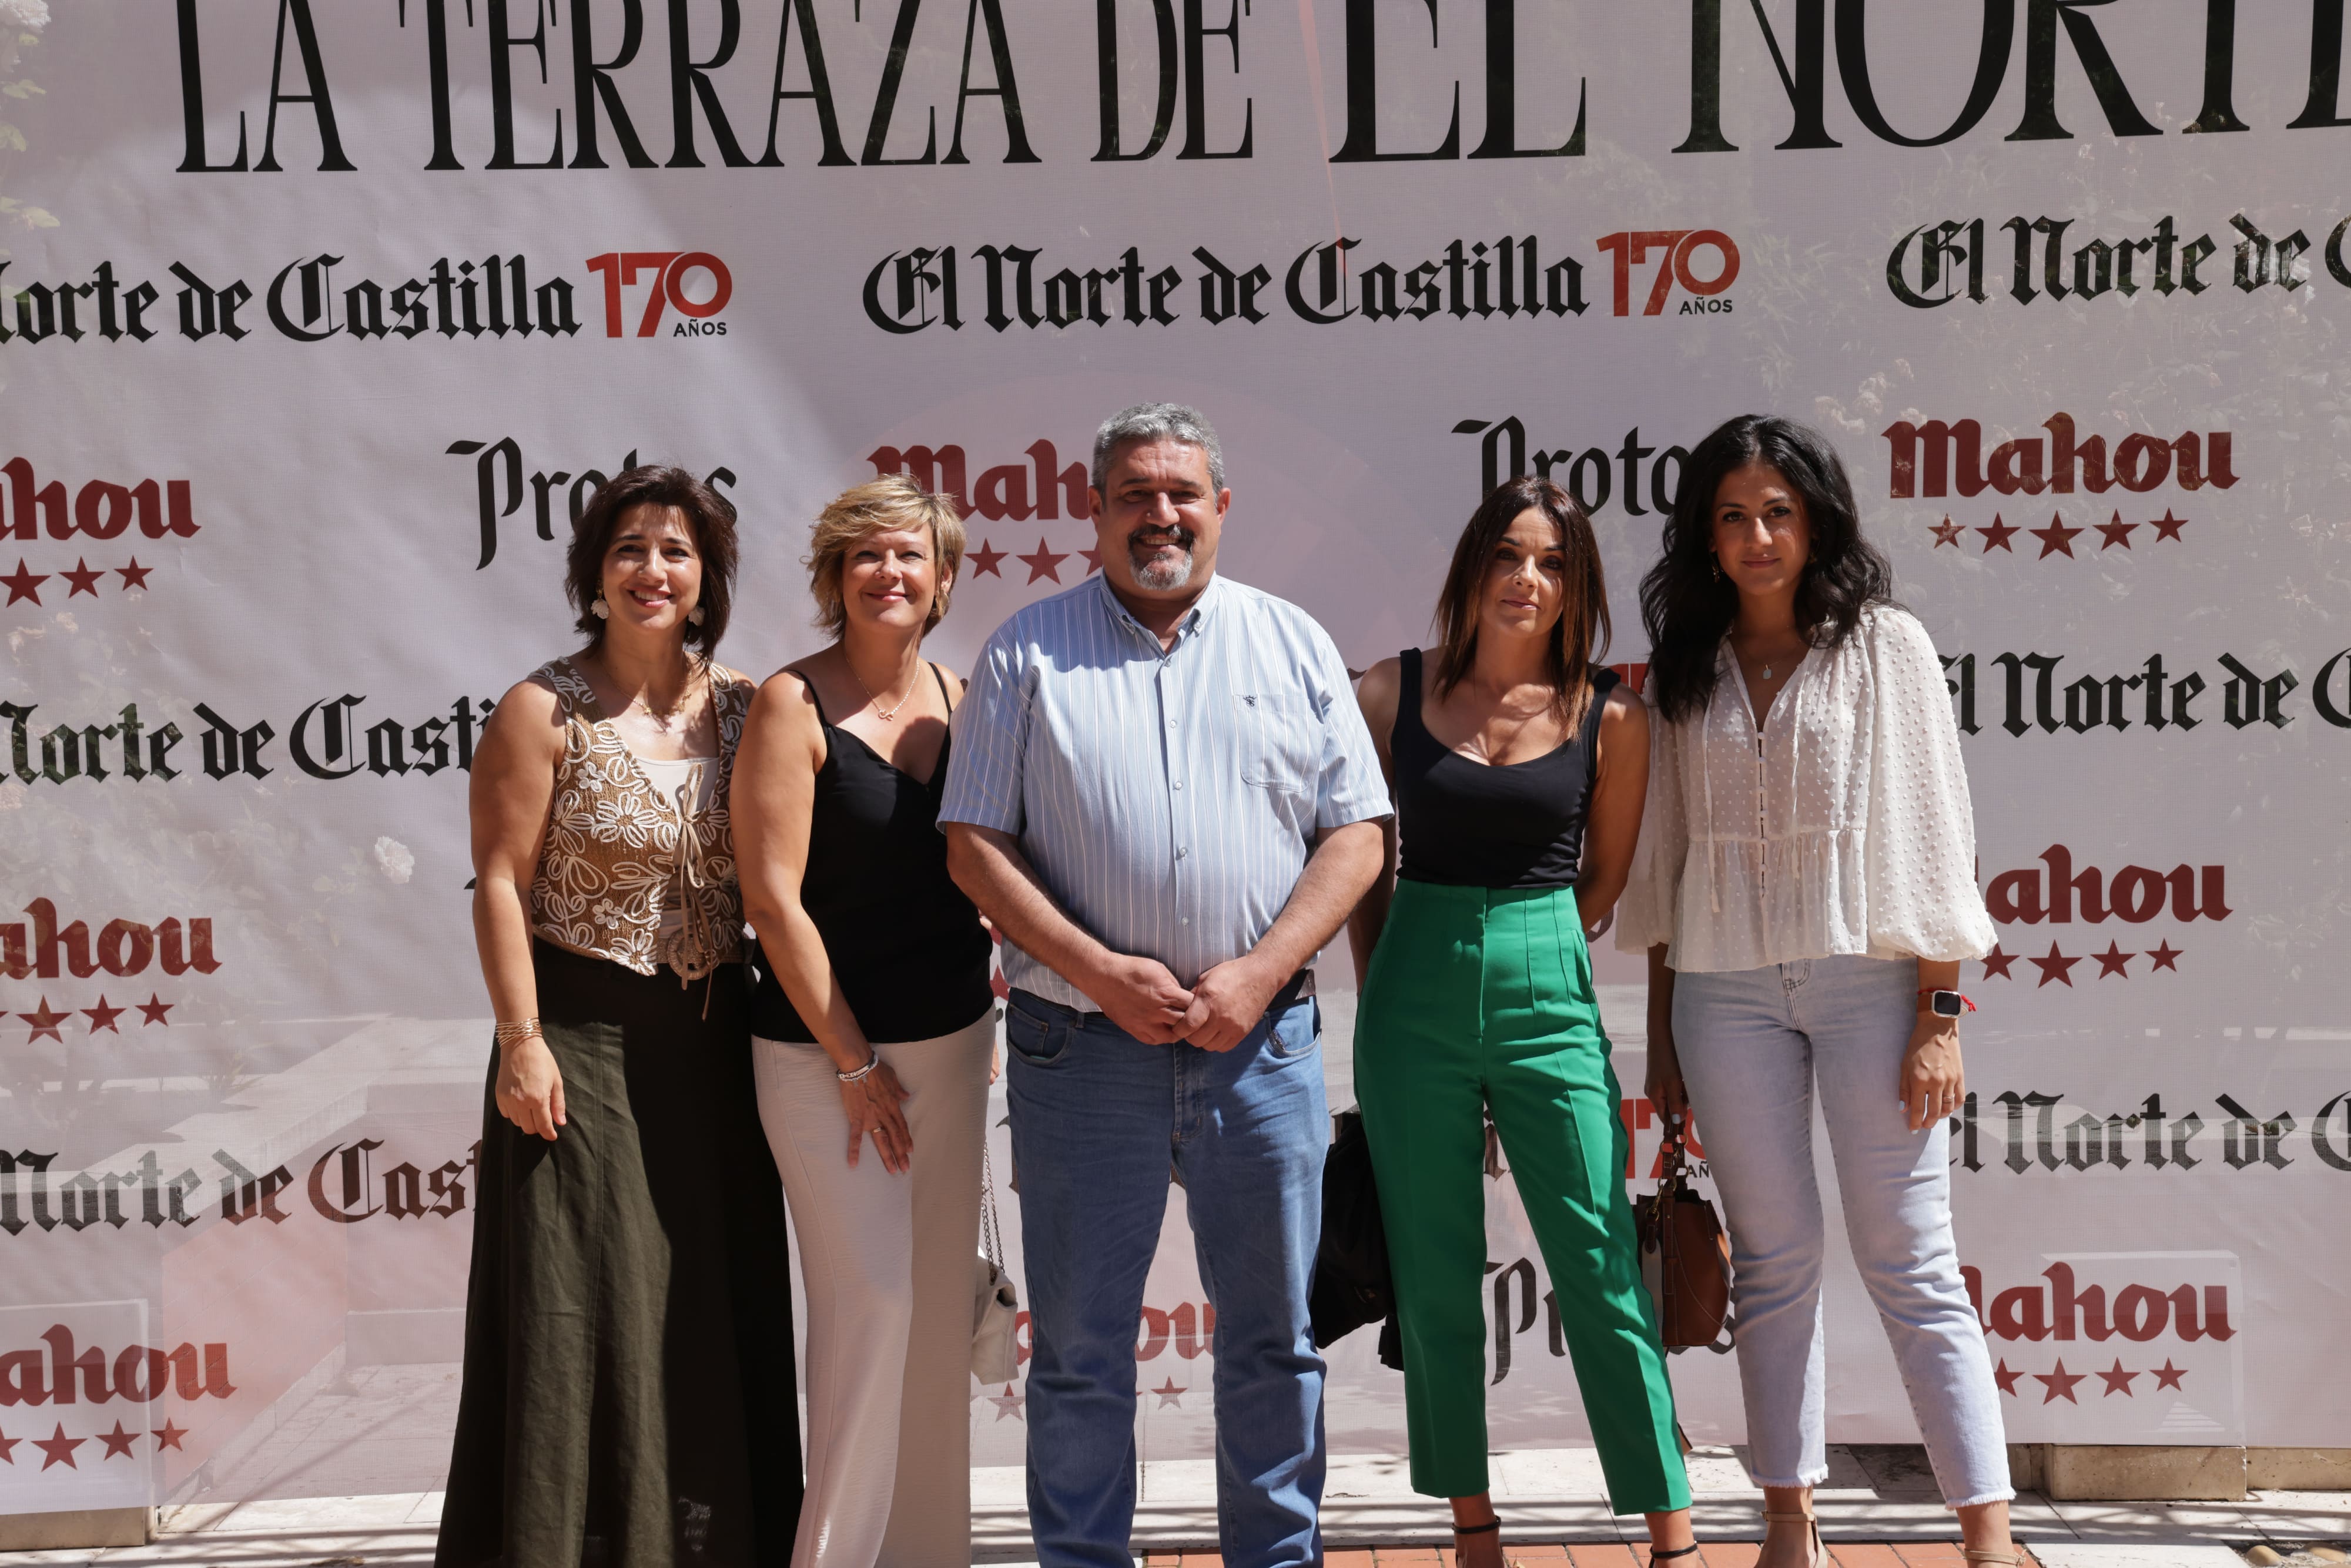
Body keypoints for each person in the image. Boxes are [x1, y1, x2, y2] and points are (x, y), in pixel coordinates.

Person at [940, 403, 1391, 1568]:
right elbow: (972, 842)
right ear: (1091, 512)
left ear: (1221, 507)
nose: (1160, 513)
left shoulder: (1289, 642)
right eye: (1133, 493)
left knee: (1275, 1343)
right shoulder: (1026, 651)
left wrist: (1256, 970)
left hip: (1261, 1047)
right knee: (1082, 1351)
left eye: (1180, 492)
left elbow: (1355, 836)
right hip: (1080, 1053)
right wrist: (1097, 969)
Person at [1617, 416, 2021, 1568]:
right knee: (1775, 1255)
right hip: (1719, 991)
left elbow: (1935, 835)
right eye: (1733, 514)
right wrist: (1661, 1040)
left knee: (1907, 1252)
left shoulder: (1883, 644)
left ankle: (1986, 1532)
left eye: (1778, 512)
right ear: (1704, 533)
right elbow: (1668, 864)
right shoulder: (1682, 666)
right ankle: (1786, 1520)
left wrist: (1938, 1015)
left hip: (1868, 984)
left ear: (1816, 520)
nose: (1757, 536)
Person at [440, 465, 801, 1568]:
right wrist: (522, 1043)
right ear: (595, 577)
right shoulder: (540, 708)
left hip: (717, 1051)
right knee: (577, 1316)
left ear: (708, 580)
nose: (654, 571)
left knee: (704, 1306)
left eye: (677, 553)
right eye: (630, 551)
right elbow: (499, 880)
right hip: (579, 1047)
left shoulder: (747, 707)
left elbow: (793, 883)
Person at [1348, 476, 1698, 1568]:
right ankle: (1473, 1531)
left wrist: (1539, 950)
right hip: (1413, 983)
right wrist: (1385, 980)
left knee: (1598, 1260)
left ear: (1576, 587)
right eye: (1508, 554)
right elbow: (1366, 863)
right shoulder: (1385, 693)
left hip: (1549, 977)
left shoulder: (1614, 716)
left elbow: (1605, 879)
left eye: (1552, 563)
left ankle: (1671, 1535)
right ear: (1472, 566)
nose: (1526, 579)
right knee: (1436, 1270)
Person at [732, 475, 996, 1568]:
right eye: (866, 557)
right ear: (836, 578)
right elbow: (769, 899)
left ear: (942, 578)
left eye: (910, 556)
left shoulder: (965, 697)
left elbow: (993, 867)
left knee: (933, 1325)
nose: (890, 573)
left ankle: (927, 1554)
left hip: (953, 1047)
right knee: (870, 1306)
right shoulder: (789, 704)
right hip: (820, 1058)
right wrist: (851, 1060)